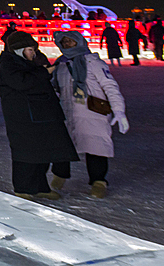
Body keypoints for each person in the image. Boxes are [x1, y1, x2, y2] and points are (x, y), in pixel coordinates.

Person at [0, 31, 78, 200]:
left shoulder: (24, 61)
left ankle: (40, 186)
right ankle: (23, 188)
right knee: (26, 155)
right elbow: (21, 82)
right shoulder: (9, 63)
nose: (33, 53)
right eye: (30, 50)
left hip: (38, 115)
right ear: (19, 50)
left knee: (42, 153)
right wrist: (44, 72)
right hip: (23, 118)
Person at [49, 31, 129, 198]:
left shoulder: (93, 62)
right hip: (68, 113)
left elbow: (110, 86)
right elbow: (55, 88)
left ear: (79, 42)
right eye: (64, 42)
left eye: (71, 41)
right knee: (62, 146)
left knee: (96, 147)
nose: (67, 44)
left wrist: (119, 110)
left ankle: (98, 181)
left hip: (92, 113)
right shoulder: (60, 64)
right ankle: (60, 175)